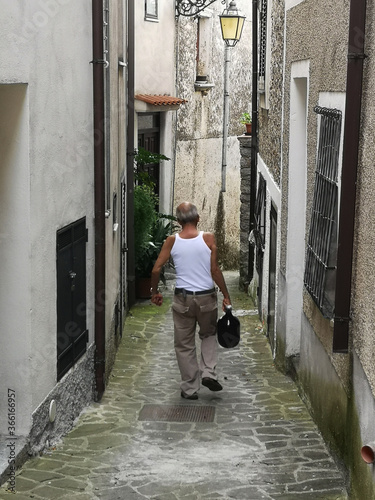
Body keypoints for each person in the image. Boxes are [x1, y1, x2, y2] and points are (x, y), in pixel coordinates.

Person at [150, 202, 231, 400]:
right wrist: (226, 295)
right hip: (206, 297)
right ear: (198, 219)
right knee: (209, 334)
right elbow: (215, 270)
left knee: (184, 344)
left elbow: (156, 269)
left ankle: (189, 389)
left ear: (178, 221)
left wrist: (154, 292)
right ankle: (208, 373)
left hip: (183, 299)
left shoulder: (171, 241)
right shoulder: (208, 238)